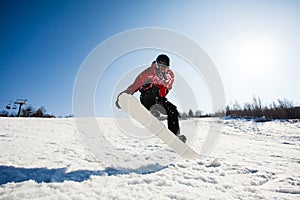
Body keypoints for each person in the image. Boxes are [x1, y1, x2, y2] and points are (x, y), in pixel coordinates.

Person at [116, 54, 186, 143]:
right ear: (156, 65)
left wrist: (165, 91)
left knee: (173, 110)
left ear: (168, 68)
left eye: (164, 68)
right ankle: (152, 110)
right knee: (154, 88)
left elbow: (169, 87)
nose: (161, 69)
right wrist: (123, 96)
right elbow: (135, 85)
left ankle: (175, 136)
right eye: (159, 66)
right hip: (147, 98)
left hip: (159, 100)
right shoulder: (148, 73)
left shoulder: (170, 76)